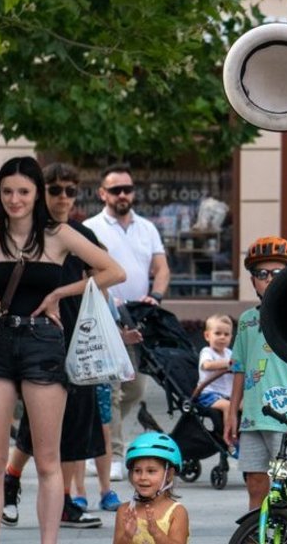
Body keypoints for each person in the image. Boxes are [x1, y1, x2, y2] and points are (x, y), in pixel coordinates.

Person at [0, 157, 125, 544]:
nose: (15, 200)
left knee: (48, 461)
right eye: (8, 191)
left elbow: (113, 271)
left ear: (37, 195)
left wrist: (60, 293)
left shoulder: (59, 234)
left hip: (43, 343)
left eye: (23, 192)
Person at [1, 162, 109, 530]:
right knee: (48, 420)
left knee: (72, 420)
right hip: (37, 334)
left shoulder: (80, 234)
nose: (63, 197)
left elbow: (105, 277)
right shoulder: (28, 234)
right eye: (55, 189)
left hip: (77, 334)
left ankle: (25, 483)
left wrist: (102, 323)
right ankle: (49, 495)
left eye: (71, 190)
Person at [84, 164, 170, 480]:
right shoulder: (91, 228)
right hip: (105, 317)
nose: (123, 195)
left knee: (136, 388)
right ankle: (114, 455)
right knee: (114, 389)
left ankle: (98, 441)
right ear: (102, 193)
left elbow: (161, 267)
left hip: (139, 319)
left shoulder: (147, 227)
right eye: (116, 189)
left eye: (127, 189)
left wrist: (156, 297)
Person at [223, 236, 287, 510]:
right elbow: (239, 369)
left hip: (283, 420)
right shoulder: (248, 321)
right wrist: (231, 413)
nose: (269, 279)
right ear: (253, 280)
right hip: (252, 419)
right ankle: (256, 535)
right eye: (262, 274)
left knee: (283, 482)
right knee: (255, 482)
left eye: (278, 273)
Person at [112, 432, 189, 544]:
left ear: (168, 474)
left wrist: (156, 533)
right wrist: (127, 536)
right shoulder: (125, 511)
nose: (143, 477)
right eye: (137, 471)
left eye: (151, 471)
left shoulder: (177, 512)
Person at [194, 313, 234, 419]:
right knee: (228, 406)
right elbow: (207, 365)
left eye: (226, 334)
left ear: (231, 337)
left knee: (247, 405)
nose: (222, 337)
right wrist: (229, 364)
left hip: (228, 394)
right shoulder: (207, 352)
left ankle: (245, 431)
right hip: (209, 395)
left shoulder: (229, 353)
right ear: (207, 336)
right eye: (218, 333)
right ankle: (227, 433)